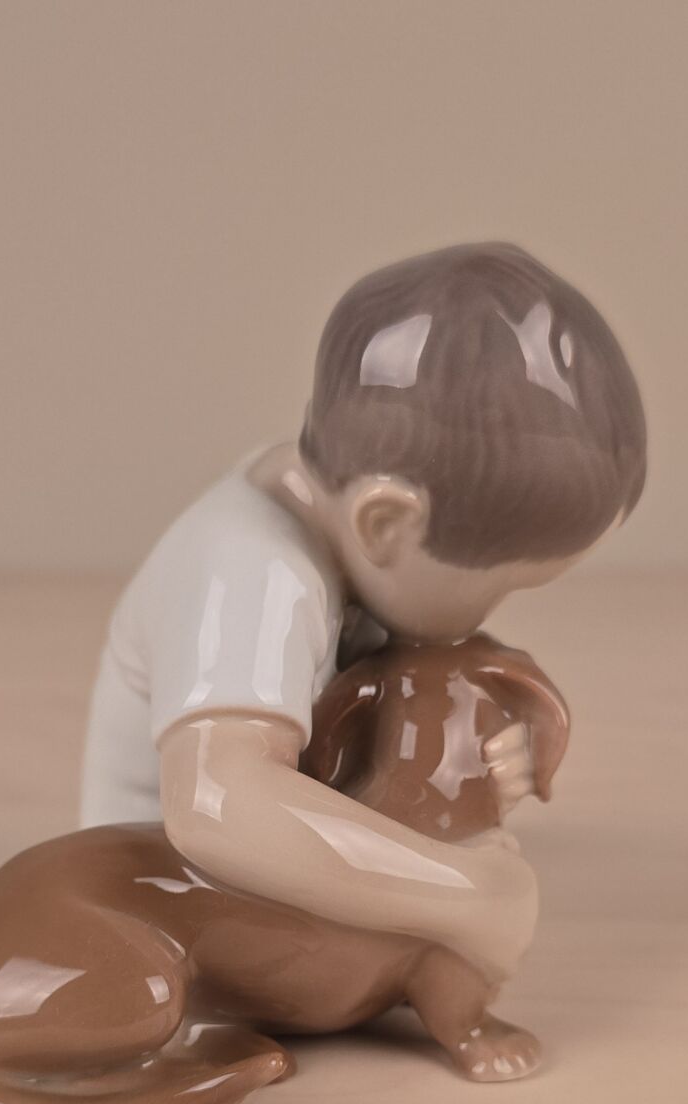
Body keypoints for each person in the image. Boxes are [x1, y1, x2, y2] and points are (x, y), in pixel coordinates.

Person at [79, 242, 646, 990]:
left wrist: (466, 757)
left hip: (283, 858)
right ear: (385, 523)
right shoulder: (253, 573)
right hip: (178, 897)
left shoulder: (335, 517)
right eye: (495, 587)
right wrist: (464, 894)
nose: (487, 617)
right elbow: (218, 806)